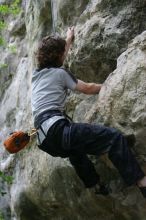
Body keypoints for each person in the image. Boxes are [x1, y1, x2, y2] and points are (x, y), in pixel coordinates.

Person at [31, 27, 146, 197]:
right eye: (64, 52)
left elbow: (59, 55)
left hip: (45, 140)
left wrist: (68, 40)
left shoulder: (36, 76)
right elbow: (87, 88)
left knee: (75, 150)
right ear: (59, 56)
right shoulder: (60, 74)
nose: (65, 54)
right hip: (57, 129)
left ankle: (95, 185)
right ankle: (141, 181)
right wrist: (111, 84)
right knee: (113, 138)